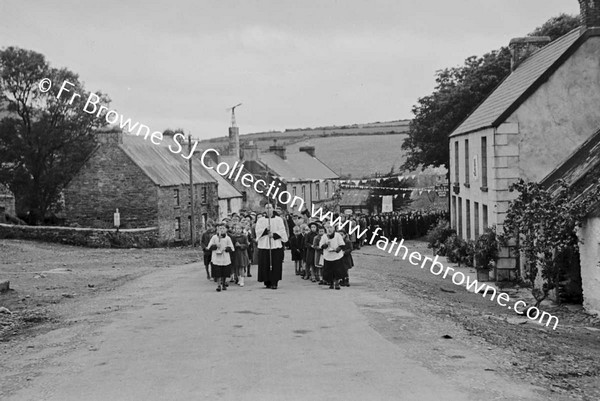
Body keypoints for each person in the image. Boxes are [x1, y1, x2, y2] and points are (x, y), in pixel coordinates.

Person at [255, 203, 288, 290]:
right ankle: (267, 281)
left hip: (275, 244)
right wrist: (265, 231)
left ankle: (274, 282)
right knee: (265, 263)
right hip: (264, 244)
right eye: (266, 208)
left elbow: (282, 231)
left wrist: (274, 235)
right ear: (264, 210)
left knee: (275, 264)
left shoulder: (278, 220)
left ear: (273, 209)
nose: (268, 209)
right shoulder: (261, 220)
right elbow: (257, 231)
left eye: (270, 208)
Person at [207, 223, 234, 292]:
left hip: (224, 256)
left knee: (224, 271)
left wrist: (226, 248)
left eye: (223, 228)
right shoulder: (214, 237)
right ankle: (219, 285)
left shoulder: (228, 238)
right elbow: (209, 247)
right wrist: (215, 246)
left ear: (226, 230)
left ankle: (224, 283)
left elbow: (232, 248)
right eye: (219, 228)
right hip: (216, 257)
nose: (221, 230)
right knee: (218, 272)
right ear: (217, 229)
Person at [320, 222, 345, 290]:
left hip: (336, 256)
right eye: (328, 228)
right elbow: (321, 245)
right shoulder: (324, 236)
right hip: (328, 256)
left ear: (334, 228)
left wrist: (337, 249)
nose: (329, 229)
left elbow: (342, 244)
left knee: (337, 270)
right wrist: (325, 245)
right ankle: (330, 283)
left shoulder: (337, 235)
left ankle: (337, 283)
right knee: (329, 271)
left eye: (330, 227)